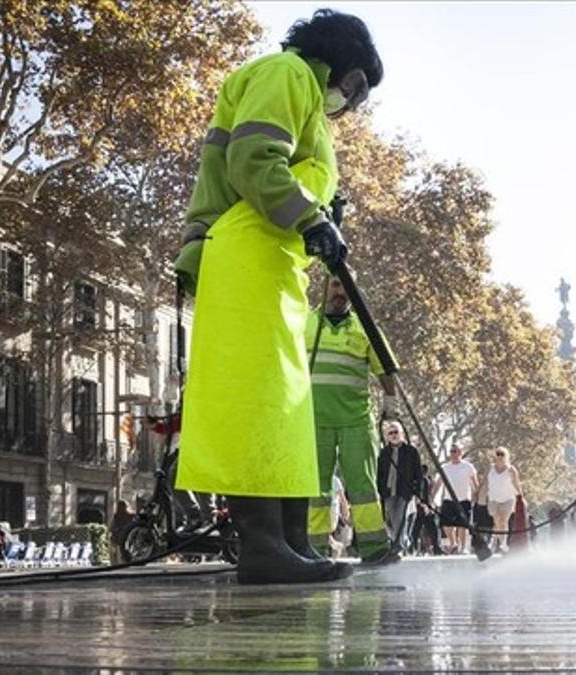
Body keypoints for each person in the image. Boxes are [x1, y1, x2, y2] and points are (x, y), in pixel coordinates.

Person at [173, 8, 383, 584]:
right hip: (247, 251)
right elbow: (253, 160)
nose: (352, 102)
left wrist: (323, 219)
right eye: (357, 86)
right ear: (343, 63)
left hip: (272, 260)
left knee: (287, 409)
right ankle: (264, 547)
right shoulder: (289, 73)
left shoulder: (307, 100)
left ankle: (293, 543)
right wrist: (310, 219)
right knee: (256, 399)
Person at [305, 275, 400, 565]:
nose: (341, 292)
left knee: (362, 486)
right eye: (335, 285)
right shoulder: (304, 324)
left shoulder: (365, 329)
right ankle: (315, 549)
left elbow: (385, 369)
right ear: (324, 286)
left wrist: (390, 402)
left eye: (347, 287)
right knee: (316, 489)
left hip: (356, 420)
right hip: (312, 419)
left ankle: (373, 548)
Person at [377, 420, 422, 556]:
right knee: (390, 518)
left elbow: (418, 473)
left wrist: (418, 493)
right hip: (388, 491)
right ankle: (405, 542)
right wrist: (380, 491)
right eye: (390, 433)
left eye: (396, 432)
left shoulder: (411, 451)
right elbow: (380, 474)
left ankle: (399, 545)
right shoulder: (384, 452)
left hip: (404, 491)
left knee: (400, 518)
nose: (393, 435)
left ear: (401, 433)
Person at [432, 445, 478, 554]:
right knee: (447, 524)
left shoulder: (468, 467)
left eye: (455, 451)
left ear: (460, 453)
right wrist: (432, 496)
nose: (453, 454)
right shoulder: (445, 468)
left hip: (463, 500)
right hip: (448, 500)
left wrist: (476, 496)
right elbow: (439, 483)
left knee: (463, 524)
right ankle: (453, 543)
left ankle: (463, 547)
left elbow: (475, 484)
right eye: (451, 451)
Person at [476, 447, 523, 553]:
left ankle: (503, 543)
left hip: (508, 499)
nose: (500, 456)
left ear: (506, 456)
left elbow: (517, 484)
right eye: (498, 454)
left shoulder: (511, 469)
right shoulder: (490, 468)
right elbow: (483, 481)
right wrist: (477, 492)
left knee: (503, 519)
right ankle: (497, 540)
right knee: (497, 520)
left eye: (502, 454)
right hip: (493, 499)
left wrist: (520, 496)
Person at [109, 500, 134, 564]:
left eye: (123, 507)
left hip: (128, 535)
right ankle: (117, 560)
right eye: (120, 507)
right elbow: (112, 527)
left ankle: (123, 559)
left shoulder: (131, 516)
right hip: (121, 535)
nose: (121, 509)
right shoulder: (116, 516)